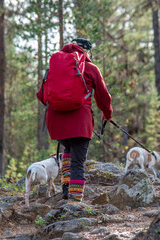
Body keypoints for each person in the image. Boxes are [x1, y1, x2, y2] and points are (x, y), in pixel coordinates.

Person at [46, 38, 113, 203]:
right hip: (80, 122)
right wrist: (107, 113)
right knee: (77, 161)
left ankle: (66, 192)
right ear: (87, 51)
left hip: (57, 121)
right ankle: (74, 202)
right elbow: (103, 97)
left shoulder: (55, 68)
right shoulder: (90, 68)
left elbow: (42, 95)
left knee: (68, 152)